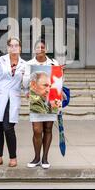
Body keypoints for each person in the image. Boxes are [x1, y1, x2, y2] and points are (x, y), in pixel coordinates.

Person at [0, 37, 26, 168]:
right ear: (8, 48)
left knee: (8, 128)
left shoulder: (24, 65)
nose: (14, 48)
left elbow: (26, 83)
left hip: (13, 98)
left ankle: (13, 158)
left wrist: (28, 91)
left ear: (20, 48)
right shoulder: (0, 61)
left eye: (16, 45)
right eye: (11, 45)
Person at [23, 39, 61, 169]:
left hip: (51, 100)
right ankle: (36, 157)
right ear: (34, 50)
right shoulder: (29, 64)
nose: (40, 49)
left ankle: (45, 158)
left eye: (43, 47)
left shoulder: (54, 63)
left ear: (46, 49)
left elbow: (59, 82)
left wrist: (61, 73)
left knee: (48, 129)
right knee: (37, 130)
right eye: (38, 47)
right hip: (35, 100)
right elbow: (24, 84)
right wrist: (29, 75)